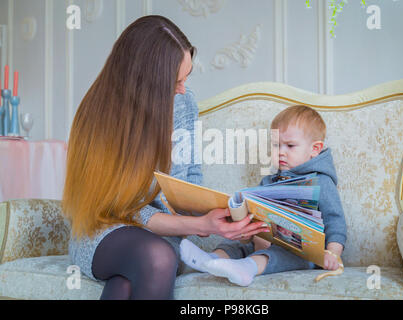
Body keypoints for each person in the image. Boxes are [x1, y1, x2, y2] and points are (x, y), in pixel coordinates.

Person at [62, 15, 269, 300]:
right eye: (175, 81)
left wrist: (226, 217)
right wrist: (201, 225)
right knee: (155, 257)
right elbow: (130, 209)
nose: (183, 89)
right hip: (101, 234)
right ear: (146, 81)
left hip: (162, 236)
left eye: (187, 77)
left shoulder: (184, 103)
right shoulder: (97, 118)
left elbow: (192, 176)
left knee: (127, 283)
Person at [180, 105, 347, 286]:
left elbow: (336, 223)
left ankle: (247, 268)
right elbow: (256, 218)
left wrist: (332, 253)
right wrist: (243, 227)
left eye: (290, 146)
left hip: (303, 253)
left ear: (315, 149)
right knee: (238, 245)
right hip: (264, 243)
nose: (280, 152)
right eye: (276, 145)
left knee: (283, 254)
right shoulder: (269, 181)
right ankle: (210, 260)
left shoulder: (321, 181)